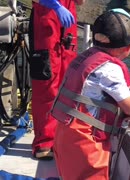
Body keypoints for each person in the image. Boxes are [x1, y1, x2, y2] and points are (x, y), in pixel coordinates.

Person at [50, 8, 130, 179]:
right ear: (129, 47)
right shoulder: (110, 69)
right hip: (85, 144)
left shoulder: (85, 57)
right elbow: (129, 106)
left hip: (65, 135)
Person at [28, 0, 85, 160]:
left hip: (67, 23)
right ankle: (44, 141)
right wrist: (56, 6)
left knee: (68, 81)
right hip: (45, 21)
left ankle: (62, 138)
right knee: (47, 84)